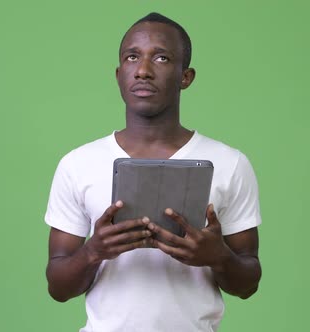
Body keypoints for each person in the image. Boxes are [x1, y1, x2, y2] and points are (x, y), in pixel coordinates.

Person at [44, 12, 262, 332]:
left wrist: (218, 257)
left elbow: (248, 284)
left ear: (185, 77)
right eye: (133, 57)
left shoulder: (230, 163)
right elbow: (58, 288)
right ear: (119, 74)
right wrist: (94, 251)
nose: (143, 71)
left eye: (161, 58)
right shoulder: (77, 163)